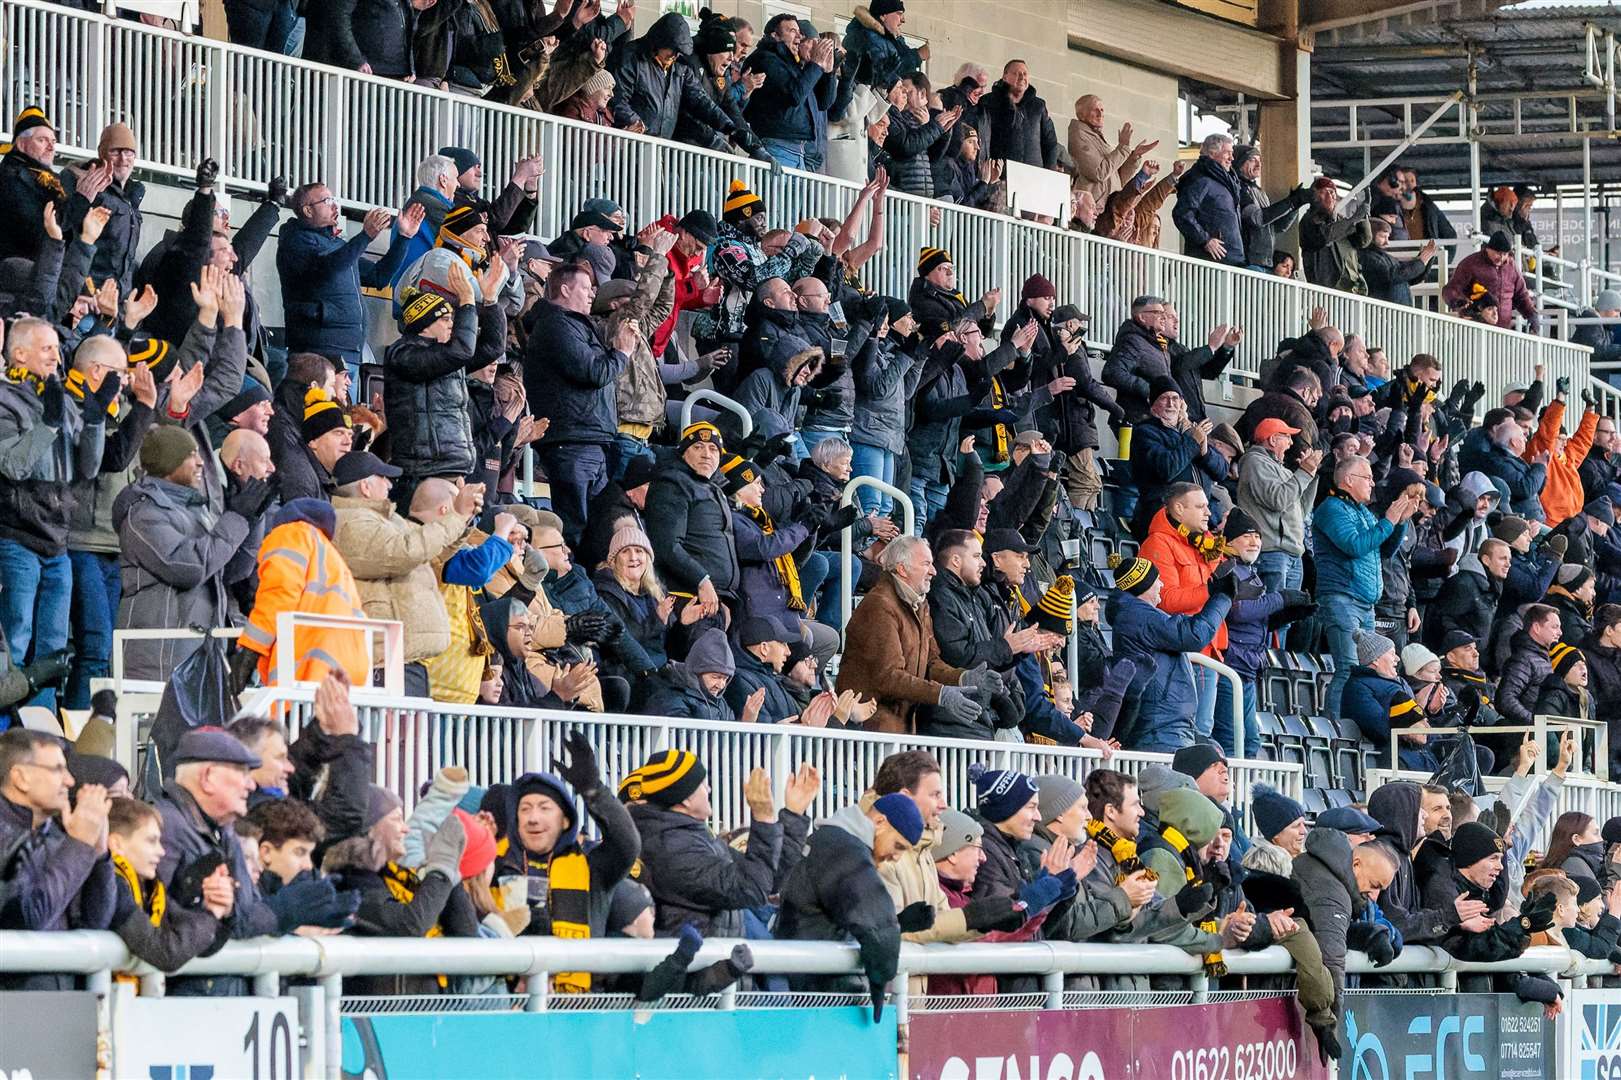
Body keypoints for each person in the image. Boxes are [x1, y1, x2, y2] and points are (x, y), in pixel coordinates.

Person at [0, 317, 110, 711]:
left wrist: (95, 420)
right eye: (46, 348)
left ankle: (43, 734)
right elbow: (13, 466)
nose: (56, 354)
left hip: (57, 541)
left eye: (56, 347)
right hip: (17, 538)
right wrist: (46, 424)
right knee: (14, 640)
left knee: (53, 649)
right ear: (19, 354)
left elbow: (89, 467)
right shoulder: (4, 399)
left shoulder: (61, 399)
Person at [112, 426, 273, 681]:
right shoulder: (143, 514)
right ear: (168, 463)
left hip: (198, 658)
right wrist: (236, 518)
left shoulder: (197, 511)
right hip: (159, 662)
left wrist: (252, 518)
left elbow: (231, 570)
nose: (200, 463)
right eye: (190, 455)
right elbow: (189, 567)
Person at [330, 452, 486, 697]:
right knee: (393, 736)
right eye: (384, 478)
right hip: (384, 661)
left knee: (408, 735)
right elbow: (405, 551)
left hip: (404, 660)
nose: (390, 485)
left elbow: (432, 553)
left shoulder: (386, 520)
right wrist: (456, 516)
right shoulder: (351, 522)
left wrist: (463, 520)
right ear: (366, 486)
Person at [491, 736, 639, 991]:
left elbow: (627, 845)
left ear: (566, 821)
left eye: (544, 808)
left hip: (576, 1008)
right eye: (525, 809)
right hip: (508, 1004)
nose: (533, 818)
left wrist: (594, 790)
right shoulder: (495, 866)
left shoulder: (592, 869)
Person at [621, 750, 814, 936]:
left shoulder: (692, 837)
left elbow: (769, 880)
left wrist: (793, 815)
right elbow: (751, 889)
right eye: (703, 784)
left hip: (719, 961)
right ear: (686, 799)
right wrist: (763, 819)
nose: (709, 789)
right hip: (698, 963)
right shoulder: (672, 848)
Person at [775, 793, 923, 1018]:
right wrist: (880, 978)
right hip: (819, 1000)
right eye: (898, 846)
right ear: (880, 822)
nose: (896, 857)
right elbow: (877, 923)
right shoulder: (846, 852)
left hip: (807, 992)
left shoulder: (832, 841)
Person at [525, 261, 639, 547]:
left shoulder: (574, 325)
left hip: (590, 438)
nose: (592, 295)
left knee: (595, 526)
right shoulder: (556, 324)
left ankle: (586, 586)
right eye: (586, 288)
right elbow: (594, 372)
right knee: (574, 524)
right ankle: (565, 581)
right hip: (572, 440)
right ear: (565, 289)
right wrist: (621, 353)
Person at [838, 536, 1001, 734]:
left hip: (899, 728)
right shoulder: (879, 605)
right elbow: (888, 677)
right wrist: (941, 694)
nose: (933, 571)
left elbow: (931, 663)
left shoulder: (920, 605)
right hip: (871, 730)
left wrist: (964, 678)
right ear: (902, 569)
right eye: (926, 564)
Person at [1314, 456, 1419, 719]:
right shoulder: (1331, 509)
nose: (1373, 483)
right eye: (1368, 478)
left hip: (1365, 603)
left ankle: (1354, 724)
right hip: (1342, 598)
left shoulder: (1361, 511)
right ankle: (1336, 729)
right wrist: (1389, 521)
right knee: (1348, 667)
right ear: (1349, 480)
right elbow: (1355, 546)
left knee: (1366, 670)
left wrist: (1401, 521)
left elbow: (1384, 550)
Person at [276, 183, 423, 366]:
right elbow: (329, 269)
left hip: (351, 352)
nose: (335, 206)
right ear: (307, 210)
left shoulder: (336, 245)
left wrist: (404, 237)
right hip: (318, 351)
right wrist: (365, 237)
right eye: (327, 201)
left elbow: (379, 276)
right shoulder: (295, 240)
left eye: (335, 200)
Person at [0, 729, 114, 954]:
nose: (70, 781)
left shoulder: (59, 837)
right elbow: (25, 918)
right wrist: (80, 844)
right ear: (21, 778)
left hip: (64, 986)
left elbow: (95, 924)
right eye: (57, 769)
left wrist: (99, 855)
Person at [1107, 556, 1233, 751]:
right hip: (1159, 728)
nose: (1161, 584)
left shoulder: (1136, 613)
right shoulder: (1137, 616)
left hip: (1164, 725)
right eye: (1157, 579)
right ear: (1143, 586)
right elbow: (1193, 635)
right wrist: (1223, 597)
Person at [106, 797, 232, 972]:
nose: (161, 851)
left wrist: (214, 910)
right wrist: (210, 916)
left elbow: (194, 942)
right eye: (151, 841)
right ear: (116, 844)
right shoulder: (111, 886)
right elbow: (165, 953)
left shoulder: (151, 889)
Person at [1237, 417, 1322, 596]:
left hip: (1292, 555)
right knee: (1273, 617)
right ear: (1273, 439)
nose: (1291, 443)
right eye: (1287, 437)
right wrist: (1304, 472)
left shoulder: (1283, 470)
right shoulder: (1255, 461)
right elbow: (1277, 500)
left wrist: (1311, 475)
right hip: (1272, 554)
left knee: (1286, 619)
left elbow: (1301, 510)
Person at [1128, 382, 1226, 539]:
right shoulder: (1145, 432)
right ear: (1153, 405)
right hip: (1165, 518)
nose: (1170, 403)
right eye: (1164, 398)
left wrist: (1205, 452)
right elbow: (1167, 468)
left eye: (1175, 398)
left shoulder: (1190, 430)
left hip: (1198, 520)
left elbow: (1221, 472)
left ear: (1182, 404)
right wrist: (1193, 442)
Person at [743, 15, 839, 171]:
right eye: (793, 31)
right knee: (776, 196)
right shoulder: (766, 58)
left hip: (798, 149)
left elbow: (824, 103)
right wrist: (815, 64)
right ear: (775, 35)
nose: (799, 37)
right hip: (776, 145)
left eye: (800, 33)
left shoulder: (792, 64)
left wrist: (829, 73)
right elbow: (794, 95)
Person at [1067, 95, 1156, 208]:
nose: (1100, 114)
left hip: (1110, 207)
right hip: (1093, 208)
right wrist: (1122, 148)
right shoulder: (1079, 135)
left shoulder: (1096, 137)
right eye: (1095, 110)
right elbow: (1099, 173)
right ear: (1081, 115)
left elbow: (1118, 179)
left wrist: (1134, 157)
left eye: (1102, 110)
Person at [1442, 232, 1540, 333]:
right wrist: (1457, 301)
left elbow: (1521, 294)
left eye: (1505, 254)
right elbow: (1451, 289)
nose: (1501, 258)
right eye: (1498, 253)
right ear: (1488, 249)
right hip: (1475, 328)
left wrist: (1531, 314)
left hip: (1504, 330)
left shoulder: (1512, 267)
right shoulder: (1471, 264)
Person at [1172, 133, 1243, 266]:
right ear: (1212, 153)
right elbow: (1182, 213)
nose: (1232, 158)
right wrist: (1205, 240)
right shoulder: (1200, 179)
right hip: (1210, 263)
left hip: (1230, 261)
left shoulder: (1226, 183)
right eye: (1227, 153)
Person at [1299, 178, 1372, 294]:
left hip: (1353, 288)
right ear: (1314, 197)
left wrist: (1363, 216)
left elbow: (1363, 240)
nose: (1330, 196)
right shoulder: (1309, 221)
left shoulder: (1341, 220)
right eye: (1323, 192)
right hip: (1328, 289)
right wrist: (1355, 218)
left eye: (1332, 192)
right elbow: (1325, 236)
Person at [983, 60, 1057, 170]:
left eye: (1025, 74)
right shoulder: (988, 102)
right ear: (1004, 77)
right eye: (1016, 73)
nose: (1022, 77)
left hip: (1034, 175)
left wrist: (1049, 171)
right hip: (999, 174)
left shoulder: (1039, 106)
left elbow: (1050, 142)